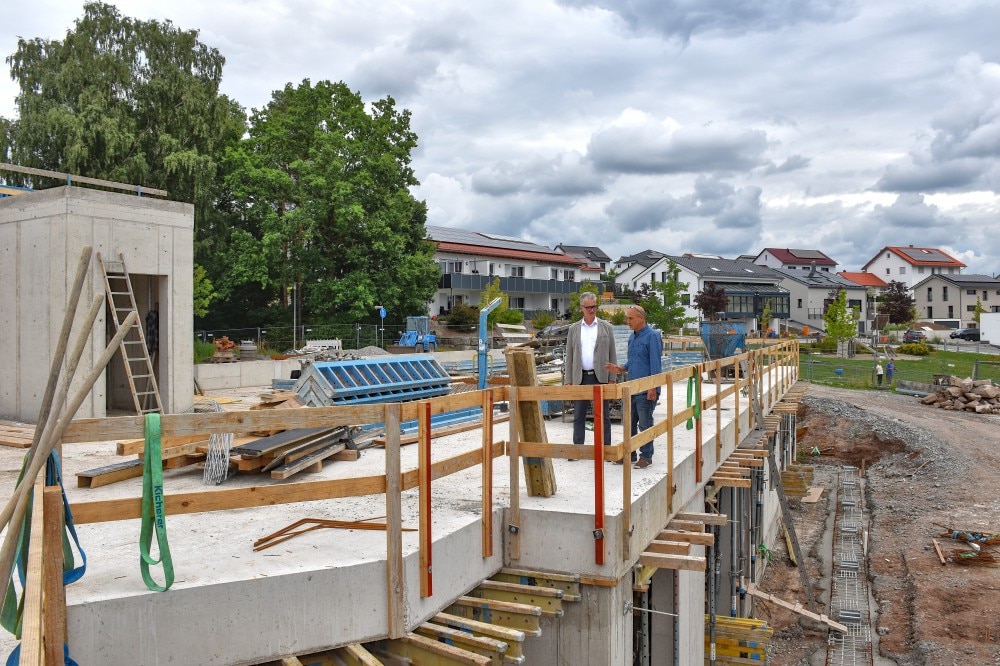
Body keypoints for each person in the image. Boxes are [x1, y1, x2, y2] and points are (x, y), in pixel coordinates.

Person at [605, 304, 663, 469]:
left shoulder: (652, 336)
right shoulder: (632, 337)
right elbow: (633, 361)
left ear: (641, 318)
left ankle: (646, 456)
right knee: (629, 424)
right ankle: (629, 454)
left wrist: (653, 387)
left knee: (644, 423)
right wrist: (620, 368)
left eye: (631, 318)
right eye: (627, 318)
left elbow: (655, 364)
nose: (627, 321)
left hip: (646, 389)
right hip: (631, 388)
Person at [564, 292, 617, 458]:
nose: (592, 310)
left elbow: (612, 353)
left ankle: (606, 450)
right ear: (581, 308)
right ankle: (578, 450)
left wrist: (612, 378)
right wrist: (568, 380)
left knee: (603, 416)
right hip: (580, 377)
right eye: (588, 307)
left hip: (600, 377)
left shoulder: (606, 327)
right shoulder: (573, 329)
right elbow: (569, 356)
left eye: (594, 306)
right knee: (578, 415)